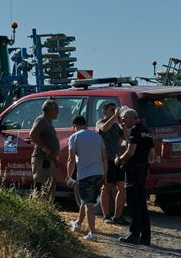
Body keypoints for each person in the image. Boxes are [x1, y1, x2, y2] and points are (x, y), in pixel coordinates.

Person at [115, 109, 156, 246]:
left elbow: (130, 151)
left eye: (123, 119)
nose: (123, 121)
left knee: (133, 204)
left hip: (133, 171)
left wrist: (119, 159)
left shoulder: (134, 131)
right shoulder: (146, 131)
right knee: (142, 205)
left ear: (130, 118)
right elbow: (152, 154)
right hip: (143, 170)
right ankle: (146, 237)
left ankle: (134, 235)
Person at [66, 115, 108, 241]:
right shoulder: (97, 136)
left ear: (75, 126)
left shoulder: (74, 137)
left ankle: (93, 233)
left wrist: (69, 176)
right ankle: (78, 224)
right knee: (86, 200)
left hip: (85, 174)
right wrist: (105, 175)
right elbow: (104, 158)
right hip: (99, 172)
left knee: (88, 204)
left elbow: (71, 159)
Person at [96, 103, 130, 225]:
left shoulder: (116, 126)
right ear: (105, 111)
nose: (115, 111)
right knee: (106, 187)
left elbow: (125, 137)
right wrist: (115, 116)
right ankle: (106, 216)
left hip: (116, 160)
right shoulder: (101, 122)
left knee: (122, 188)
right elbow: (103, 129)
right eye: (112, 109)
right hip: (106, 160)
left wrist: (124, 124)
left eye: (115, 109)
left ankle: (117, 216)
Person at [29, 99, 60, 201]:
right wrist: (44, 147)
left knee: (49, 185)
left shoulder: (48, 122)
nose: (58, 112)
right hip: (42, 159)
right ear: (49, 110)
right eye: (56, 110)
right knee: (41, 184)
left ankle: (46, 207)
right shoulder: (41, 120)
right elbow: (33, 134)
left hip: (48, 160)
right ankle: (38, 206)